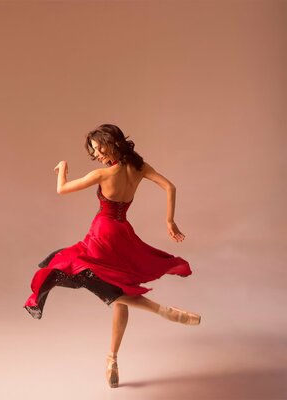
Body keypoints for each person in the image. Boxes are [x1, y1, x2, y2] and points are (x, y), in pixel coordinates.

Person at [22, 123, 201, 389]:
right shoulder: (140, 168)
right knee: (121, 295)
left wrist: (62, 168)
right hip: (123, 235)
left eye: (99, 148)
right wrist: (169, 221)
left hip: (102, 235)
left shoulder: (103, 174)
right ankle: (112, 360)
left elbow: (62, 189)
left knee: (70, 267)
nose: (98, 155)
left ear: (111, 142)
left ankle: (160, 310)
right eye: (94, 152)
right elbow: (170, 187)